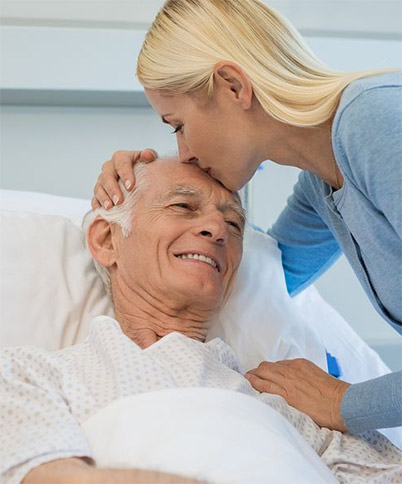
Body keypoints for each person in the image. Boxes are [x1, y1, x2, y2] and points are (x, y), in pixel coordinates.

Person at [92, 0, 402, 436]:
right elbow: (260, 275)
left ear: (233, 86)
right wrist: (140, 190)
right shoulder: (322, 184)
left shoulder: (374, 122)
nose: (184, 152)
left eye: (177, 125)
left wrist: (342, 403)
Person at [2, 158, 401, 484]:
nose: (218, 230)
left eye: (234, 224)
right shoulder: (31, 374)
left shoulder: (293, 400)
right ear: (107, 240)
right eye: (182, 206)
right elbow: (51, 478)